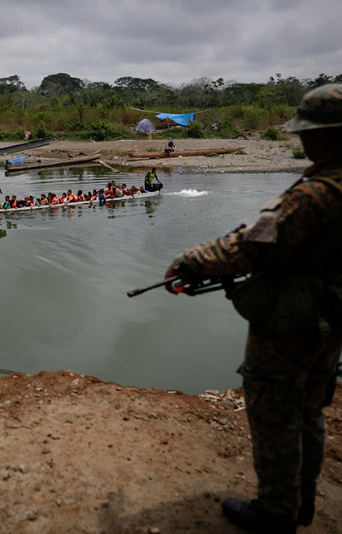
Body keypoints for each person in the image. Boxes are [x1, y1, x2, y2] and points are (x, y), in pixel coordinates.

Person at [164, 84, 342, 534]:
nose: (301, 141)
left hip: (292, 323)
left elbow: (250, 245)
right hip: (331, 321)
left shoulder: (316, 193)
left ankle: (276, 513)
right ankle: (302, 502)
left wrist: (190, 260)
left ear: (325, 135)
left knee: (276, 413)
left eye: (308, 132)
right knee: (309, 411)